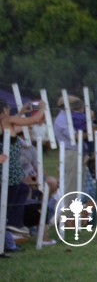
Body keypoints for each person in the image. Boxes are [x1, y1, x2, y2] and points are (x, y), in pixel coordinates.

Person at [0, 100, 46, 241]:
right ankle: (11, 223)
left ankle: (14, 223)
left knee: (22, 189)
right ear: (5, 109)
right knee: (10, 198)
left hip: (9, 169)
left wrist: (22, 113)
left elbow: (20, 125)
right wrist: (42, 109)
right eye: (8, 108)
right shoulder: (6, 120)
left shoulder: (6, 123)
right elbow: (34, 119)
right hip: (10, 170)